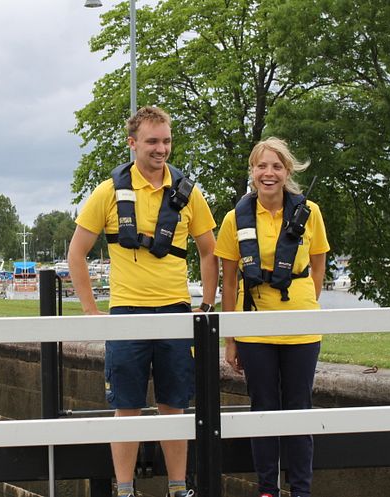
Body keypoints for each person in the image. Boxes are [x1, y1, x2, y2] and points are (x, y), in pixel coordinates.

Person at [68, 106, 218, 497]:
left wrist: (207, 304)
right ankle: (124, 489)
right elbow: (76, 253)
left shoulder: (189, 195)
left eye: (166, 140)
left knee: (174, 406)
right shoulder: (107, 192)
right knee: (127, 407)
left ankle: (178, 488)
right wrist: (90, 312)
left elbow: (209, 251)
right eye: (152, 141)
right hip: (126, 314)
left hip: (175, 312)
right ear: (132, 143)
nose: (161, 149)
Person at [214, 137, 329, 497]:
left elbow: (319, 267)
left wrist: (303, 306)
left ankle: (300, 490)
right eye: (262, 166)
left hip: (301, 329)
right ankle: (267, 489)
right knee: (262, 408)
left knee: (299, 409)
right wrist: (231, 338)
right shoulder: (234, 219)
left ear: (287, 172)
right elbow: (228, 281)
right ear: (252, 172)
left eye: (276, 166)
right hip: (254, 327)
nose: (268, 173)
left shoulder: (310, 213)